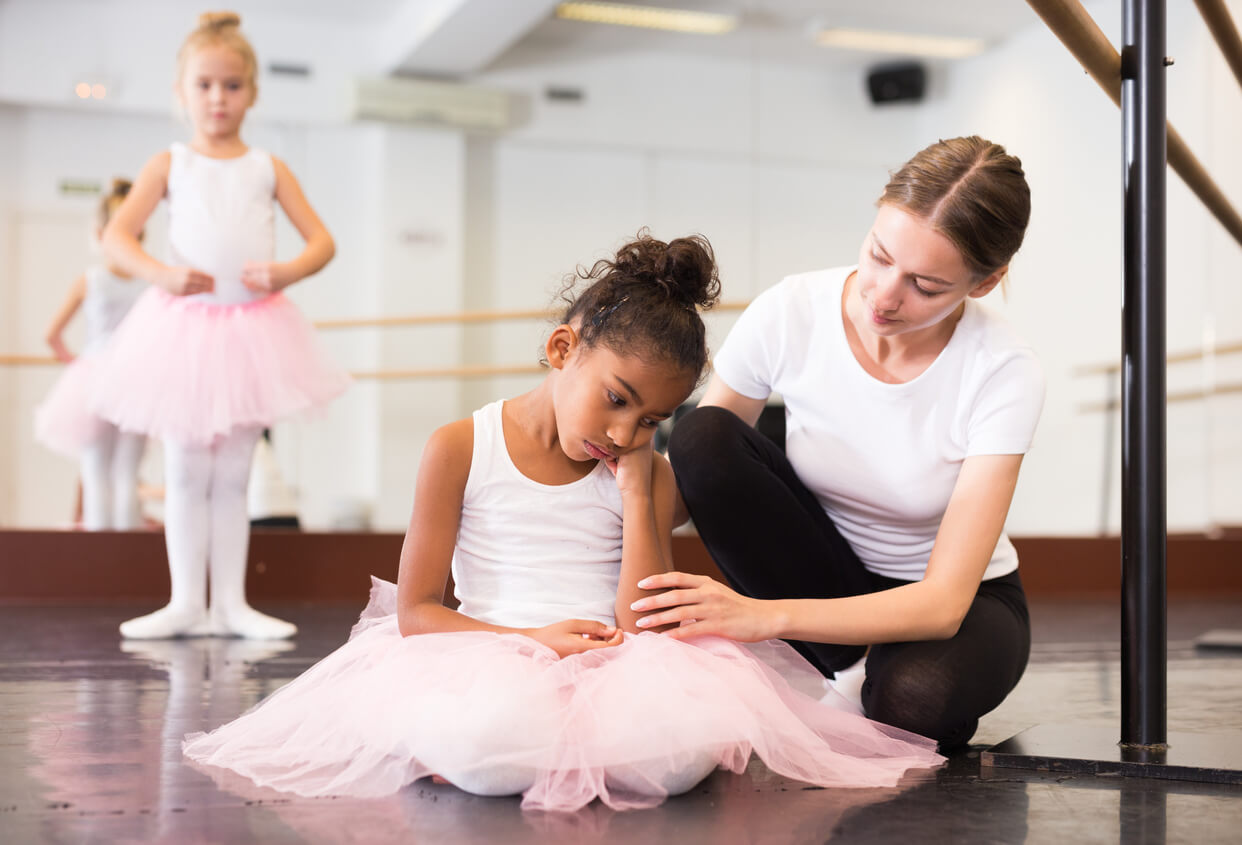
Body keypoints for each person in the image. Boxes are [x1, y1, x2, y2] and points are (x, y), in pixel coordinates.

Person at [181, 231, 942, 813]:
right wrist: (531, 641)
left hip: (609, 658)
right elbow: (416, 612)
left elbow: (638, 619)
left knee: (677, 757)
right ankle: (473, 746)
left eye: (651, 418)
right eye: (615, 399)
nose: (622, 431)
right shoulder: (458, 447)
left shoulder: (638, 463)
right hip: (489, 650)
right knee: (486, 746)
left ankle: (535, 748)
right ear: (560, 349)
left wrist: (642, 488)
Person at [642, 136, 1045, 752]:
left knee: (913, 701)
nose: (883, 296)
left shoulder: (1003, 370)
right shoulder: (792, 309)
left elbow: (941, 604)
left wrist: (763, 618)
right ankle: (845, 668)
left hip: (955, 604)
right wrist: (595, 489)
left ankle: (860, 680)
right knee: (700, 432)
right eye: (879, 256)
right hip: (823, 572)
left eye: (926, 286)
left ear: (984, 283)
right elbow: (699, 477)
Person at [96, 11, 347, 640]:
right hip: (182, 330)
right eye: (204, 85)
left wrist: (286, 271)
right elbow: (118, 238)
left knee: (235, 473)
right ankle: (186, 602)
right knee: (184, 468)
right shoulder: (170, 162)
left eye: (231, 86)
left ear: (252, 93)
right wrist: (161, 273)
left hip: (252, 331)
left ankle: (231, 604)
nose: (218, 98)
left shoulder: (267, 166)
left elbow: (322, 242)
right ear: (182, 92)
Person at [35, 179, 148, 530]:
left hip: (94, 376)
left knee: (96, 470)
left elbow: (51, 335)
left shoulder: (91, 279)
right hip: (136, 379)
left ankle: (100, 555)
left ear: (100, 233)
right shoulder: (150, 281)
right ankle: (129, 556)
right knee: (128, 471)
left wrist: (73, 361)